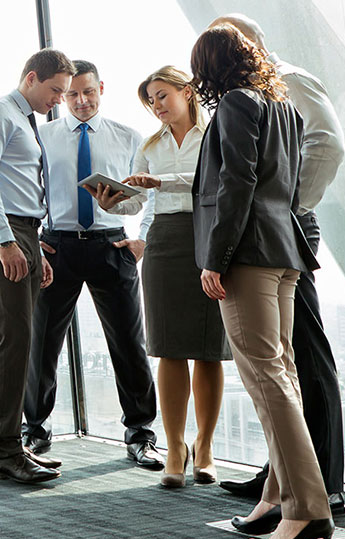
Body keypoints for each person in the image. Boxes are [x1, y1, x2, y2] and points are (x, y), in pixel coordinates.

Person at [190, 25, 334, 539]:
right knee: (284, 372)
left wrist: (215, 256)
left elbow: (237, 184)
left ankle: (305, 509)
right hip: (284, 251)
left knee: (266, 377)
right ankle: (275, 497)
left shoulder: (233, 104)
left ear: (209, 67)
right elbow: (287, 186)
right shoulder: (282, 106)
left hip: (247, 254)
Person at [93, 66, 231, 488]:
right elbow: (137, 205)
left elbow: (219, 182)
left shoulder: (215, 135)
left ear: (187, 92)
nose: (156, 105)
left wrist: (162, 181)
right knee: (169, 348)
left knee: (210, 349)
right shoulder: (149, 144)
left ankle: (204, 446)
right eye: (150, 100)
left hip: (208, 236)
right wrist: (111, 202)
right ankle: (175, 446)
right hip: (165, 240)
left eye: (161, 95)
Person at [22, 60, 163, 470]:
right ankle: (35, 428)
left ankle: (140, 433)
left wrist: (142, 241)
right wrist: (33, 239)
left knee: (128, 342)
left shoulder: (128, 138)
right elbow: (28, 191)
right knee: (42, 342)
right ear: (62, 95)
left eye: (88, 92)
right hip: (56, 247)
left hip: (111, 244)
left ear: (101, 88)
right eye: (72, 95)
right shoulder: (41, 137)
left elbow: (148, 196)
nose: (81, 102)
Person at [0, 49, 75, 484]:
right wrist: (7, 241)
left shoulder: (27, 121)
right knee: (12, 339)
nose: (59, 100)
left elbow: (24, 183)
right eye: (55, 91)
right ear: (31, 78)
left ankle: (9, 444)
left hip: (26, 234)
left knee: (18, 340)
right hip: (3, 232)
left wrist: (35, 248)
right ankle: (3, 451)